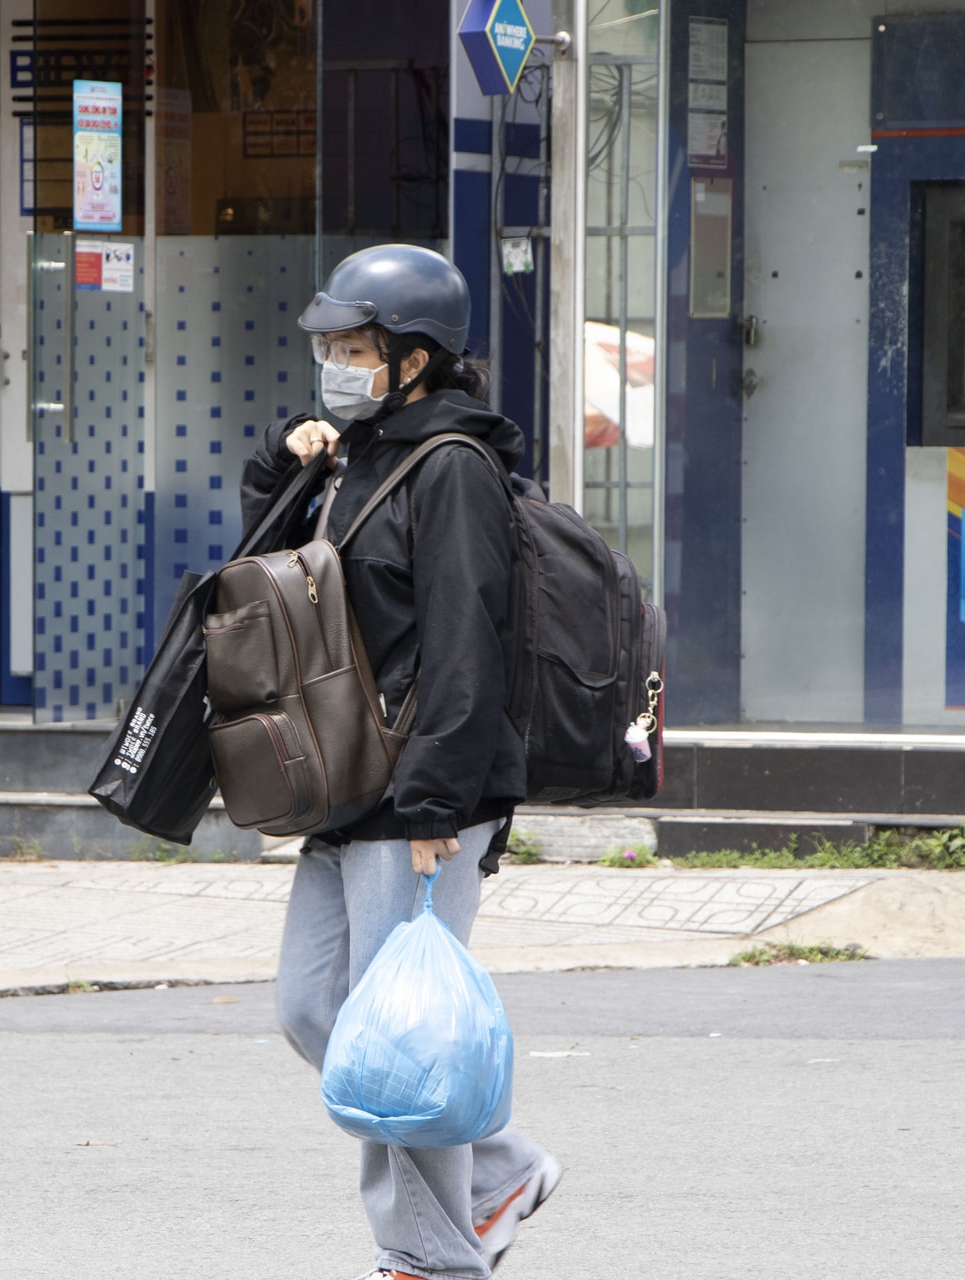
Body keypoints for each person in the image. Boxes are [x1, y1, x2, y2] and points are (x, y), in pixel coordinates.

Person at [240, 244, 562, 1280]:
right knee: (310, 1005)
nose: (333, 360)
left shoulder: (455, 467)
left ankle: (429, 1254)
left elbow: (469, 637)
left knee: (407, 1040)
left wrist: (437, 798)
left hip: (421, 791)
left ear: (414, 357)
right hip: (345, 782)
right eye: (328, 345)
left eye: (353, 345)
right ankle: (498, 1168)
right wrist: (287, 465)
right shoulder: (358, 453)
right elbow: (284, 580)